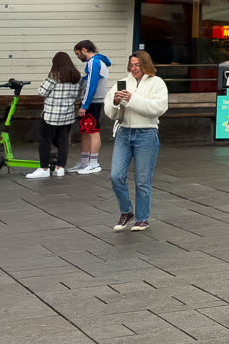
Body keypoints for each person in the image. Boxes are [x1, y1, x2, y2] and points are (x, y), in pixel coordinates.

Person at [108, 51, 169, 231]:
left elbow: (158, 108)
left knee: (142, 180)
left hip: (146, 133)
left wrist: (131, 99)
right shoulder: (122, 82)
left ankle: (142, 218)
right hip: (124, 132)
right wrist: (115, 102)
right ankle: (127, 211)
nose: (134, 68)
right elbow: (109, 111)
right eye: (131, 65)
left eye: (137, 65)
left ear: (145, 64)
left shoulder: (157, 83)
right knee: (116, 176)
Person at [30, 52, 82, 180]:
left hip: (51, 116)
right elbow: (79, 95)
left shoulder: (54, 76)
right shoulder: (76, 77)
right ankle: (60, 168)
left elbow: (41, 92)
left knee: (44, 141)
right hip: (67, 115)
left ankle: (44, 168)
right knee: (63, 141)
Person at [72, 40, 110, 175]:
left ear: (84, 50)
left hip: (92, 102)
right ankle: (84, 162)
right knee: (86, 130)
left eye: (78, 53)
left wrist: (84, 105)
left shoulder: (93, 63)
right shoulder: (99, 61)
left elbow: (91, 85)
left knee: (93, 131)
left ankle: (93, 163)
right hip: (93, 101)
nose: (78, 57)